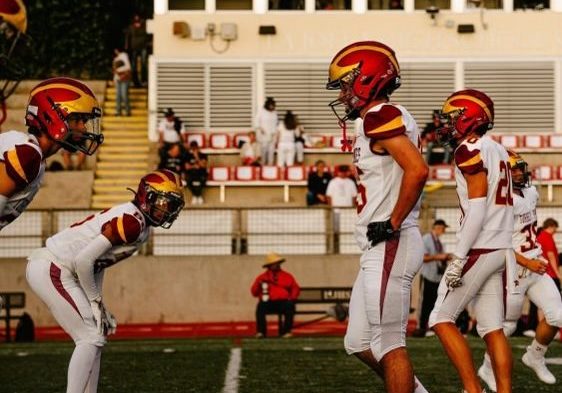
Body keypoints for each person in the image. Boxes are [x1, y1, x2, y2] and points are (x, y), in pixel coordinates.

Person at [327, 41, 429, 393]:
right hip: (379, 245)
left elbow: (417, 170)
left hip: (390, 240)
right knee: (358, 341)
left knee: (389, 343)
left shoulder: (379, 115)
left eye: (345, 83)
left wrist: (394, 221)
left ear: (367, 78)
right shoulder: (376, 119)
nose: (342, 94)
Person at [26, 169, 184, 393]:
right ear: (146, 196)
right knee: (89, 337)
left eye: (171, 205)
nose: (167, 210)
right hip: (53, 266)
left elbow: (97, 263)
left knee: (96, 335)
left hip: (61, 269)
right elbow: (83, 261)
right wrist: (94, 299)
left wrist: (98, 304)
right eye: (164, 202)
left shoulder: (141, 225)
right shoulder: (132, 223)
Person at [428, 89, 514, 393]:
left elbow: (477, 209)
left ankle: (472, 390)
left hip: (481, 246)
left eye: (453, 117)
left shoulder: (468, 149)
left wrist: (459, 257)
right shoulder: (500, 150)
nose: (448, 124)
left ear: (469, 117)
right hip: (500, 246)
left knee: (440, 318)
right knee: (492, 329)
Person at [477, 152, 562, 391]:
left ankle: (534, 356)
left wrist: (533, 259)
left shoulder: (531, 192)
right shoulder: (499, 203)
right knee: (506, 326)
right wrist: (527, 262)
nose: (518, 173)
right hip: (513, 269)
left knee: (557, 314)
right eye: (512, 170)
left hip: (535, 262)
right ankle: (486, 366)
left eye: (520, 168)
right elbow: (499, 244)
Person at [0, 77, 103, 230]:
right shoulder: (28, 154)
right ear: (52, 117)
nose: (84, 128)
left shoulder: (33, 153)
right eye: (78, 119)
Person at [412, 219, 450, 338]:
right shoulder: (427, 239)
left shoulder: (439, 242)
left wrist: (444, 259)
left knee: (434, 303)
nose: (444, 231)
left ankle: (430, 327)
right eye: (443, 228)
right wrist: (440, 257)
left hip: (437, 277)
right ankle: (421, 328)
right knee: (425, 303)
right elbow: (423, 257)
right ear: (437, 227)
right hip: (428, 275)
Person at [250, 253, 300, 338]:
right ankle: (261, 332)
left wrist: (292, 298)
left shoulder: (287, 276)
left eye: (278, 263)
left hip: (283, 302)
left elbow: (295, 288)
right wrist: (258, 284)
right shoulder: (261, 277)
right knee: (260, 307)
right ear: (269, 265)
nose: (277, 265)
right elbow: (254, 292)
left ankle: (286, 332)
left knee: (290, 306)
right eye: (274, 263)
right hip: (268, 302)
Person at [125, 13, 150, 88]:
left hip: (143, 47)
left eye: (138, 20)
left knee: (144, 63)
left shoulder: (145, 26)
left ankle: (144, 80)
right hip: (134, 48)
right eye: (135, 20)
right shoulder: (131, 27)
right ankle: (134, 80)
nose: (137, 22)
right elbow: (127, 37)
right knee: (133, 65)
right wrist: (126, 46)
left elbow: (149, 35)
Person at [254, 97, 278, 165]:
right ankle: (263, 165)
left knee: (271, 151)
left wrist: (275, 133)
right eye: (270, 105)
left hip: (272, 135)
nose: (271, 107)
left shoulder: (274, 113)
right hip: (263, 135)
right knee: (263, 151)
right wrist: (260, 128)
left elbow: (276, 123)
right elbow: (256, 122)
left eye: (272, 105)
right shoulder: (261, 111)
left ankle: (270, 165)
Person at [112, 48, 131, 117]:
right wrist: (115, 79)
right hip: (118, 79)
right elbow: (114, 70)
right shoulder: (115, 59)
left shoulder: (124, 55)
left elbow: (128, 68)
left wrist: (123, 76)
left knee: (124, 95)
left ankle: (127, 111)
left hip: (124, 78)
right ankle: (118, 111)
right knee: (118, 96)